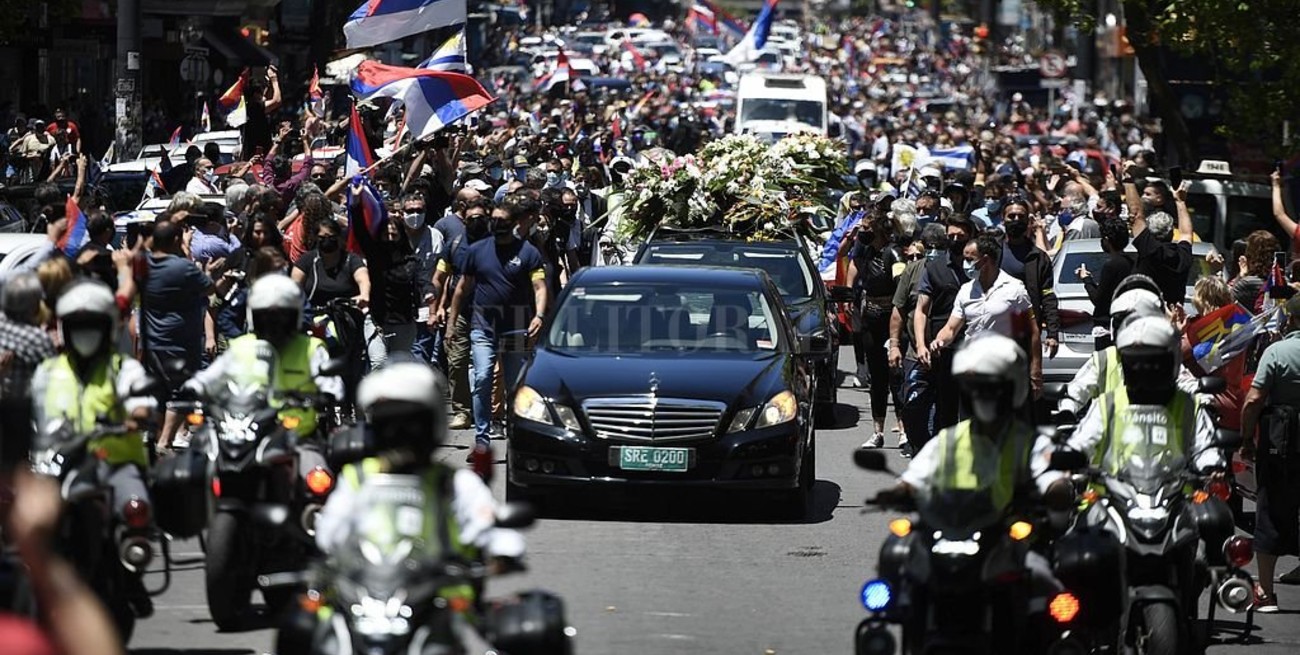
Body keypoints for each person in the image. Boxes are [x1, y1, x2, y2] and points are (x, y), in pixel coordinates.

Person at [29, 280, 157, 615]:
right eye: (78, 327)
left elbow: (142, 400)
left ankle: (132, 574)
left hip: (115, 463)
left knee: (136, 506)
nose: (85, 334)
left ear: (107, 328)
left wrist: (137, 415)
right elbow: (26, 408)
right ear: (65, 329)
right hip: (57, 464)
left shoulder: (122, 367)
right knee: (24, 515)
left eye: (92, 326)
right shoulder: (48, 371)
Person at [182, 274, 341, 474]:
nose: (274, 324)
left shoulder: (311, 347)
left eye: (282, 317)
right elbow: (211, 376)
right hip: (243, 432)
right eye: (266, 317)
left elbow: (331, 382)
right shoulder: (242, 345)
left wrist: (327, 393)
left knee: (317, 478)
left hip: (296, 437)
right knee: (190, 470)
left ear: (295, 316)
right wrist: (193, 387)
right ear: (253, 316)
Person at [1065, 313, 1222, 484]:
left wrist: (1212, 465)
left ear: (1171, 363)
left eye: (1154, 363)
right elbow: (1082, 441)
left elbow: (1205, 447)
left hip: (1173, 492)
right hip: (1111, 490)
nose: (1145, 371)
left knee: (1214, 501)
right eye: (1136, 363)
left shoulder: (1188, 405)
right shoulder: (1107, 404)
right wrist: (1068, 457)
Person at [446, 193, 548, 454]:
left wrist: (538, 315)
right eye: (494, 220)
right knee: (482, 377)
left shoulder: (528, 252)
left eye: (503, 221)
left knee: (514, 386)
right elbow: (461, 288)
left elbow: (539, 287)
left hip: (516, 326)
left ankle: (515, 436)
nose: (497, 225)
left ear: (513, 223)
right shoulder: (477, 251)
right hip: (483, 327)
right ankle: (482, 440)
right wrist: (451, 322)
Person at [926, 234, 1043, 403]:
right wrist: (939, 341)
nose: (964, 264)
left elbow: (1032, 332)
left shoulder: (1014, 289)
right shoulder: (966, 291)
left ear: (986, 260)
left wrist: (1036, 370)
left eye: (969, 259)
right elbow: (951, 328)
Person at [1239, 295, 1300, 613]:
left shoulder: (1277, 352)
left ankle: (1265, 591)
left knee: (1271, 510)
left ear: (1292, 320)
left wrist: (1246, 439)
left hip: (1281, 443)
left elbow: (1253, 400)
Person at [141, 220, 215, 451]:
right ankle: (165, 441)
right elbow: (209, 287)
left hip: (152, 341)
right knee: (182, 391)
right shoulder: (183, 267)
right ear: (175, 240)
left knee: (159, 391)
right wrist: (187, 252)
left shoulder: (142, 264)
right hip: (181, 342)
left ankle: (157, 439)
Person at [1057, 287, 1167, 421]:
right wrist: (1067, 411)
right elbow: (1076, 391)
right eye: (1127, 325)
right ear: (1115, 328)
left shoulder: (1168, 361)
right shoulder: (1103, 360)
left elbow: (1186, 387)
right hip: (1108, 429)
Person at [911, 215, 975, 435]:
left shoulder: (981, 267)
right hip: (943, 350)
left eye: (961, 236)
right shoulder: (934, 268)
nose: (955, 240)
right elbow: (921, 310)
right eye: (951, 236)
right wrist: (921, 344)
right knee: (944, 408)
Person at [846, 206, 902, 449]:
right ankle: (877, 431)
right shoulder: (865, 251)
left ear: (878, 229)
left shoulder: (893, 254)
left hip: (892, 320)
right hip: (871, 319)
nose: (863, 231)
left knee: (896, 375)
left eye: (867, 228)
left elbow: (901, 288)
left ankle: (903, 429)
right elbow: (851, 262)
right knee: (877, 378)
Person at [998, 196, 1060, 361]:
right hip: (994, 328)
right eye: (1011, 216)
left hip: (1025, 330)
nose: (1016, 220)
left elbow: (1047, 295)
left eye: (1021, 216)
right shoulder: (992, 252)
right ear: (1003, 219)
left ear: (1028, 221)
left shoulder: (1039, 258)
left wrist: (1052, 333)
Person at [1127, 171, 1193, 305]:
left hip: (1146, 313)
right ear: (1172, 233)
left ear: (1149, 232)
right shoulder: (1182, 254)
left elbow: (1136, 214)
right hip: (1174, 314)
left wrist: (1128, 179)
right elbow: (1186, 234)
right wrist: (1180, 201)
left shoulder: (1149, 249)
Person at [1077, 218, 1134, 350]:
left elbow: (1098, 299)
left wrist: (1086, 279)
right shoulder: (1131, 262)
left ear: (1107, 240)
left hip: (1109, 330)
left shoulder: (1111, 266)